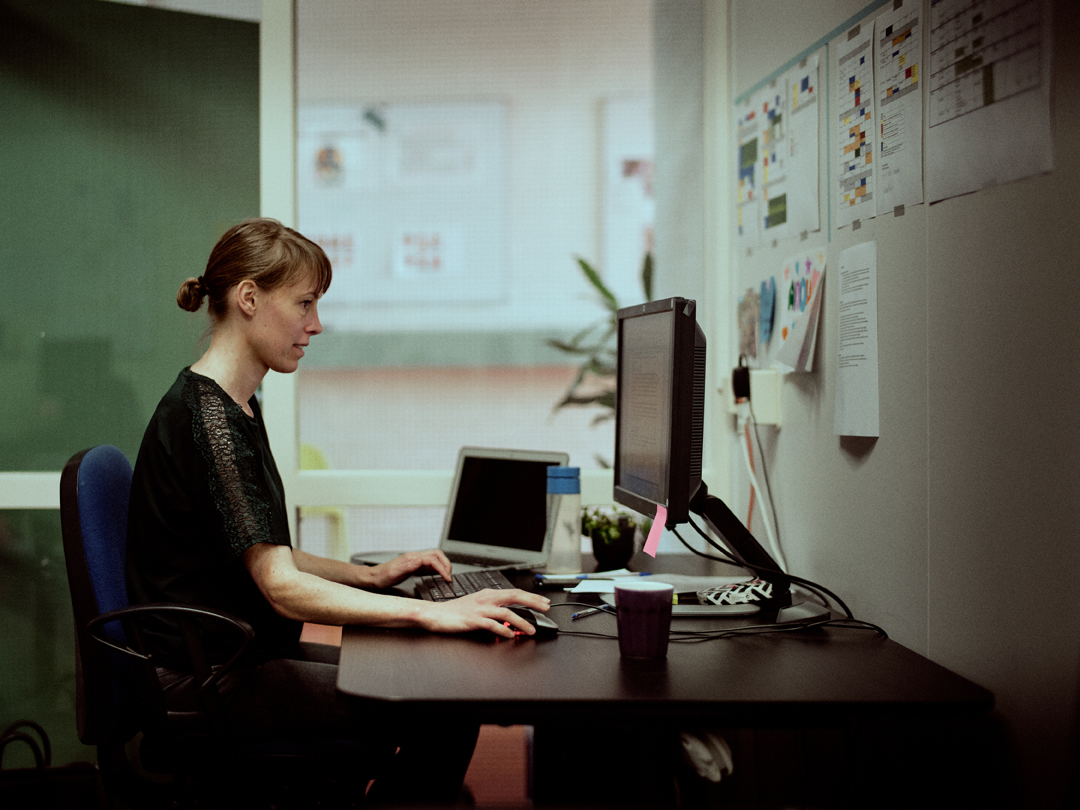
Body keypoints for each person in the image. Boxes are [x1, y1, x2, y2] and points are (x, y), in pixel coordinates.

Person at [126, 217, 550, 805]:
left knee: (437, 684)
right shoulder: (211, 421)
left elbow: (261, 550)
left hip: (239, 653)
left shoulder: (233, 405)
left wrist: (371, 576)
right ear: (249, 298)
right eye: (303, 303)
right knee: (444, 706)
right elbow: (280, 587)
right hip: (210, 679)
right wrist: (428, 616)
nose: (315, 325)